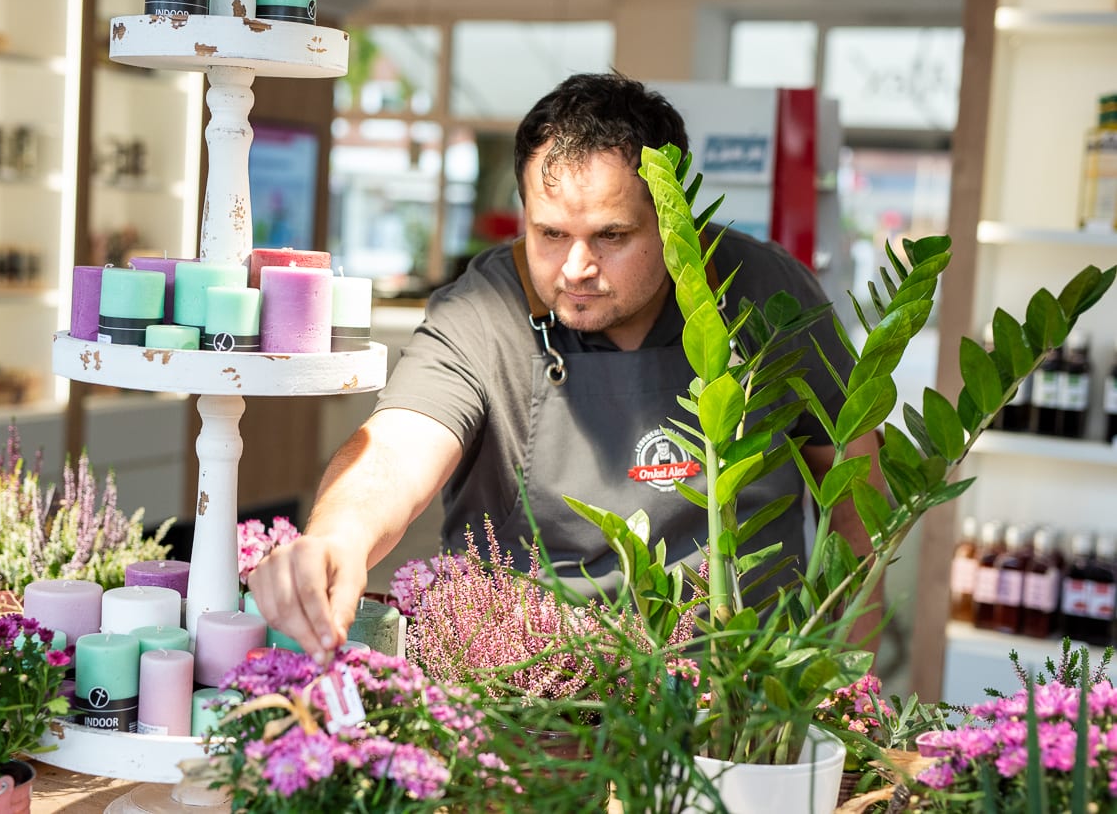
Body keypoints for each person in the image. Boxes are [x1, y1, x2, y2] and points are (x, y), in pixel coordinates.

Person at [248, 72, 882, 662]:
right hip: (524, 689)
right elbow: (396, 447)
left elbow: (855, 477)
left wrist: (848, 672)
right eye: (550, 235)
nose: (576, 267)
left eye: (610, 236)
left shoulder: (768, 294)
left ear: (673, 218)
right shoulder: (483, 308)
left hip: (736, 700)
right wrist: (338, 537)